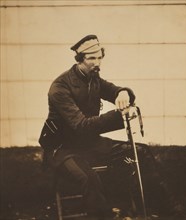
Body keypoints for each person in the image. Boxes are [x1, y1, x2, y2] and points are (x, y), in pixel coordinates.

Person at [41, 34, 140, 219]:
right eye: (91, 58)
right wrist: (119, 115)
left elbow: (113, 90)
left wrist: (123, 92)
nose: (97, 63)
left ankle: (135, 209)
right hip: (63, 148)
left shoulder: (93, 78)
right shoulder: (60, 87)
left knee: (135, 153)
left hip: (89, 143)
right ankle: (103, 215)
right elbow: (81, 126)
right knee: (89, 179)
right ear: (79, 60)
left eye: (100, 57)